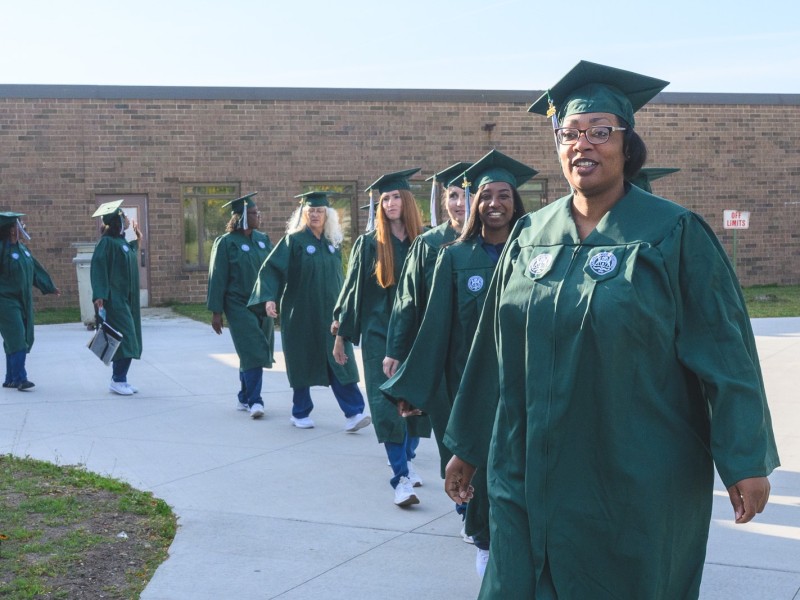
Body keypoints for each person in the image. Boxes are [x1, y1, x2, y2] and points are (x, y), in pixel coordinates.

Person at [443, 61, 780, 598]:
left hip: (631, 470)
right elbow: (493, 349)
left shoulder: (671, 232)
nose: (584, 145)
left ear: (627, 144)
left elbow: (724, 351)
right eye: (570, 134)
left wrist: (744, 459)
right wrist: (468, 442)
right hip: (527, 466)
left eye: (601, 131)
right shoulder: (531, 233)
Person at [332, 168, 429, 507]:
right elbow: (354, 291)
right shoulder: (369, 244)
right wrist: (342, 335)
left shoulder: (425, 243)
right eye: (385, 198)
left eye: (396, 196)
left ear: (408, 201)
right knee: (387, 408)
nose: (390, 202)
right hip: (378, 337)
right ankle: (400, 478)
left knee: (416, 407)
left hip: (416, 336)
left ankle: (409, 458)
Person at [248, 191, 371, 432]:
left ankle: (355, 412)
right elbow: (271, 269)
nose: (314, 214)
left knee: (340, 359)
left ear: (328, 215)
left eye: (319, 211)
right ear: (303, 214)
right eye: (310, 211)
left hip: (331, 315)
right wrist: (269, 298)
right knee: (302, 361)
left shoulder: (333, 243)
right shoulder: (293, 241)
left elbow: (342, 278)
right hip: (301, 313)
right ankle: (300, 412)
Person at [382, 161, 470, 487]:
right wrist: (396, 350)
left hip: (488, 353)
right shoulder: (429, 244)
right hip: (444, 356)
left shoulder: (499, 242)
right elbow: (407, 303)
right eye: (454, 195)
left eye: (467, 194)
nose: (460, 203)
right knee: (451, 432)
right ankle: (466, 508)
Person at [207, 192, 274, 419]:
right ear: (243, 217)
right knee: (253, 349)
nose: (259, 216)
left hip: (261, 303)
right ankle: (256, 401)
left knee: (251, 352)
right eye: (254, 213)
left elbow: (273, 271)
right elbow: (218, 277)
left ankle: (244, 396)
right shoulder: (226, 243)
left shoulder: (263, 239)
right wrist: (217, 312)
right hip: (238, 304)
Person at [0, 212, 60, 390]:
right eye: (19, 224)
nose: (23, 226)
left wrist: (49, 287)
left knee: (23, 337)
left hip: (23, 300)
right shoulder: (2, 250)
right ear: (12, 230)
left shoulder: (24, 250)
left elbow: (35, 272)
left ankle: (10, 377)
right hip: (5, 301)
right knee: (17, 337)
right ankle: (20, 378)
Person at [90, 200, 143, 396]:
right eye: (124, 217)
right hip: (115, 299)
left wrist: (138, 239)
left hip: (126, 298)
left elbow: (128, 255)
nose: (128, 220)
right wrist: (100, 295)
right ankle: (117, 380)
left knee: (127, 337)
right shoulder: (106, 243)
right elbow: (99, 268)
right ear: (118, 221)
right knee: (126, 337)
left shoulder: (120, 242)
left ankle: (121, 378)